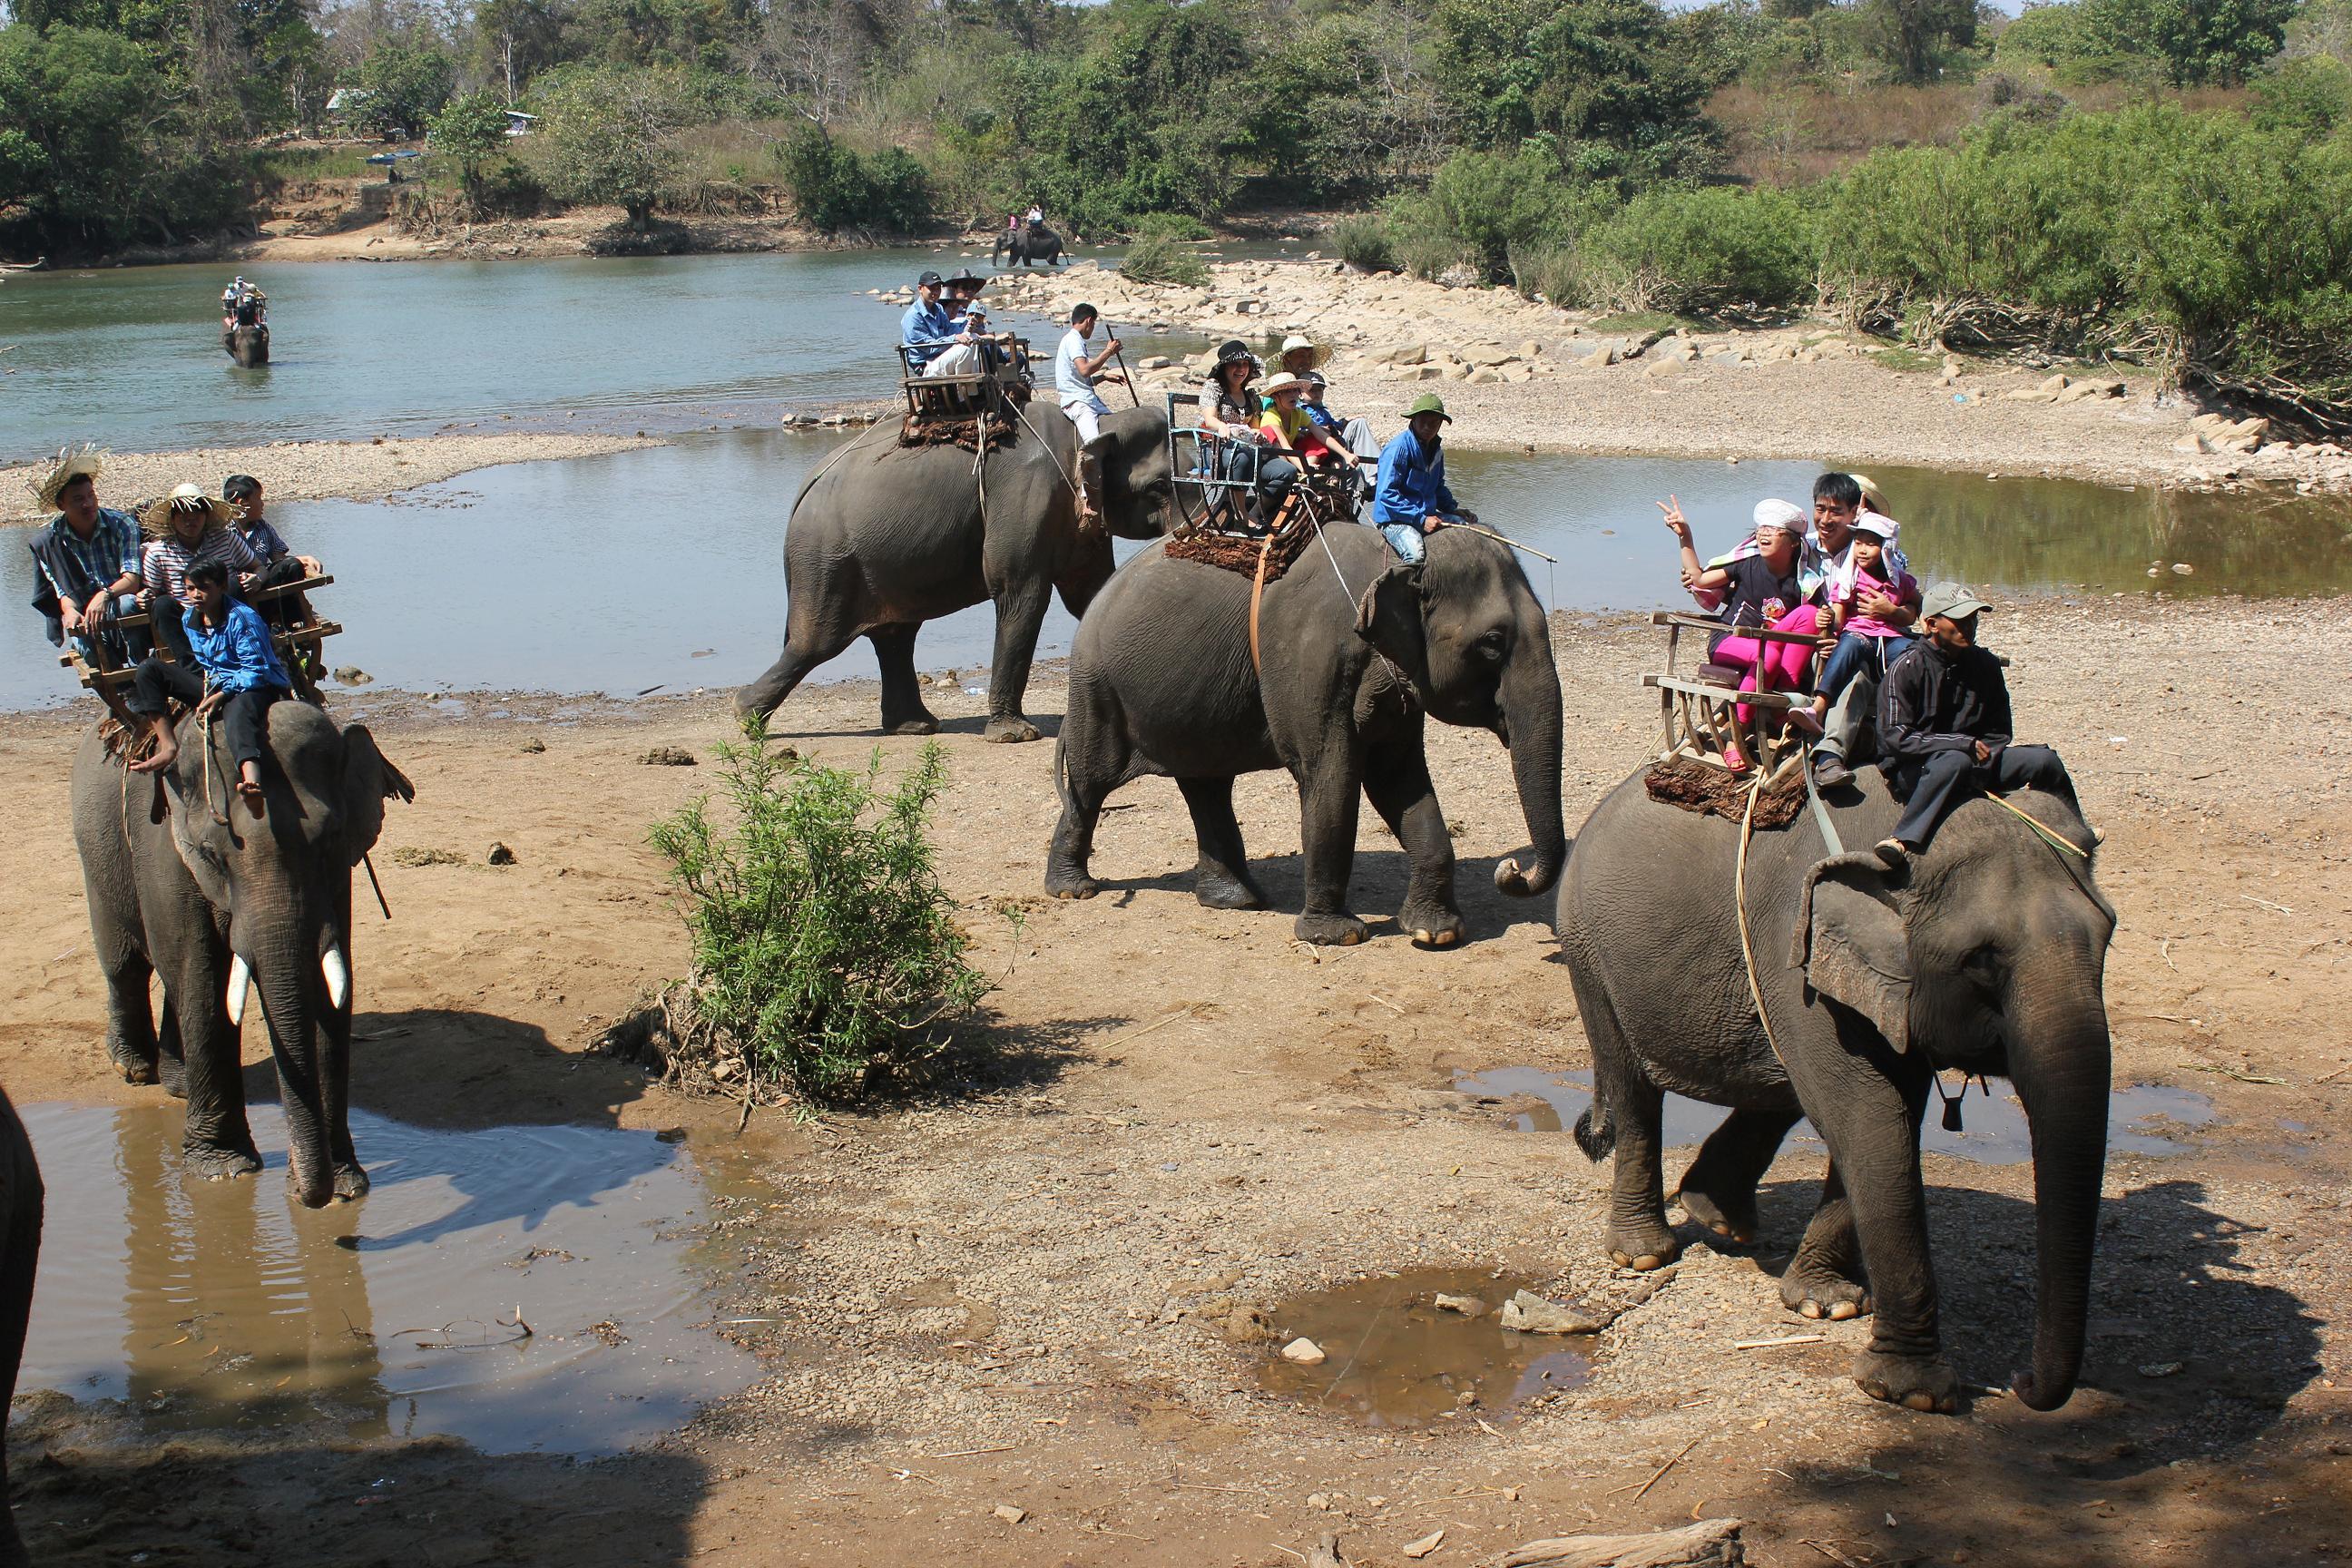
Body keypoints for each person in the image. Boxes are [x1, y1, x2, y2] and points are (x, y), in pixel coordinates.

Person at [1876, 583, 2082, 862]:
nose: (1970, 626)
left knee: (2044, 760)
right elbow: (1895, 736)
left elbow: (1999, 731)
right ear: (1933, 624)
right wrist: (1960, 744)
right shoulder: (1907, 668)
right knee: (1953, 762)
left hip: (1976, 762)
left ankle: (2076, 829)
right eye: (1960, 620)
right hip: (1922, 768)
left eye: (1973, 618)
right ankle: (1902, 837)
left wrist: (1984, 757)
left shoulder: (1986, 664)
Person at [1661, 496, 1823, 773]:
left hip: (1769, 648)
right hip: (1730, 642)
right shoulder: (1746, 564)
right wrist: (1685, 535)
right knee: (1768, 655)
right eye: (1761, 530)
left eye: (1774, 531)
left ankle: (1780, 699)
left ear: (1794, 542)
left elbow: (1806, 628)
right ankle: (1738, 734)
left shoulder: (1805, 582)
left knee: (1808, 616)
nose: (1764, 535)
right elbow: (1699, 579)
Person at [123, 560, 292, 815]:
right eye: (190, 588)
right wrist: (214, 690)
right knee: (148, 668)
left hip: (253, 684)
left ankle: (251, 782)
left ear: (222, 587)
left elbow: (257, 670)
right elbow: (204, 665)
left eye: (203, 588)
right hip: (213, 683)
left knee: (237, 714)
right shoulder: (190, 618)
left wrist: (224, 693)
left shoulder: (243, 619)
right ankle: (168, 746)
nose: (195, 595)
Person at [1805, 513, 1918, 787]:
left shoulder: (1898, 575)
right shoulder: (1848, 575)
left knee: (1915, 660)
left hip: (1890, 640)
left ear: (1887, 549)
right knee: (1854, 672)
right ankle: (1827, 751)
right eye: (1859, 542)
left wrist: (1891, 611)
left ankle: (1918, 739)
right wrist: (1827, 622)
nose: (1863, 549)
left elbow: (1915, 608)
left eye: (1872, 543)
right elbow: (1839, 618)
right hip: (1855, 641)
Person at [25, 445, 150, 667]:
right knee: (78, 635)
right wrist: (69, 610)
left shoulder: (122, 524)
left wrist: (103, 596)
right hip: (84, 607)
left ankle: (140, 666)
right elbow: (62, 589)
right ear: (61, 505)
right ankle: (125, 690)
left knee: (129, 604)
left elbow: (132, 580)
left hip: (117, 598)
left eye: (91, 495)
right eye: (78, 499)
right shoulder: (50, 542)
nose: (88, 504)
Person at [140, 484, 260, 664]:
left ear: (206, 516)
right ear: (173, 519)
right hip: (186, 620)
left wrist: (256, 578)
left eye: (197, 513)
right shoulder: (158, 552)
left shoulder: (225, 538)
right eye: (183, 514)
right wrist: (144, 597)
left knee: (234, 583)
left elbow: (259, 567)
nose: (190, 520)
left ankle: (237, 648)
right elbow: (151, 592)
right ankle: (191, 666)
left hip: (225, 612)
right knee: (161, 604)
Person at [1372, 395, 1476, 564]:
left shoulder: (1436, 451)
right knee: (1415, 555)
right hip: (1395, 519)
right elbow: (1386, 494)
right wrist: (1420, 519)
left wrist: (1452, 509)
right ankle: (1399, 589)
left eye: (1434, 422)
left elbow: (1438, 487)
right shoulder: (1399, 449)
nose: (1428, 427)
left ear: (1441, 424)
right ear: (1413, 420)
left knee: (1464, 527)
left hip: (1425, 514)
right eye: (1423, 421)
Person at [1054, 304, 1127, 526]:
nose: (1092, 328)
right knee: (1093, 444)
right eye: (1093, 324)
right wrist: (1108, 352)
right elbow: (1085, 370)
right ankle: (1087, 499)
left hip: (1087, 396)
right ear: (1088, 321)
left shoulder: (1075, 341)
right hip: (1077, 403)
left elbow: (1082, 378)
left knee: (1116, 426)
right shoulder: (1074, 339)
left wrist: (1104, 377)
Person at [222, 475, 322, 629]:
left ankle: (283, 620)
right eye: (259, 499)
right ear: (243, 504)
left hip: (265, 587)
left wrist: (304, 560)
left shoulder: (263, 527)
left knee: (292, 566)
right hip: (238, 594)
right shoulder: (221, 532)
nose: (263, 504)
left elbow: (280, 560)